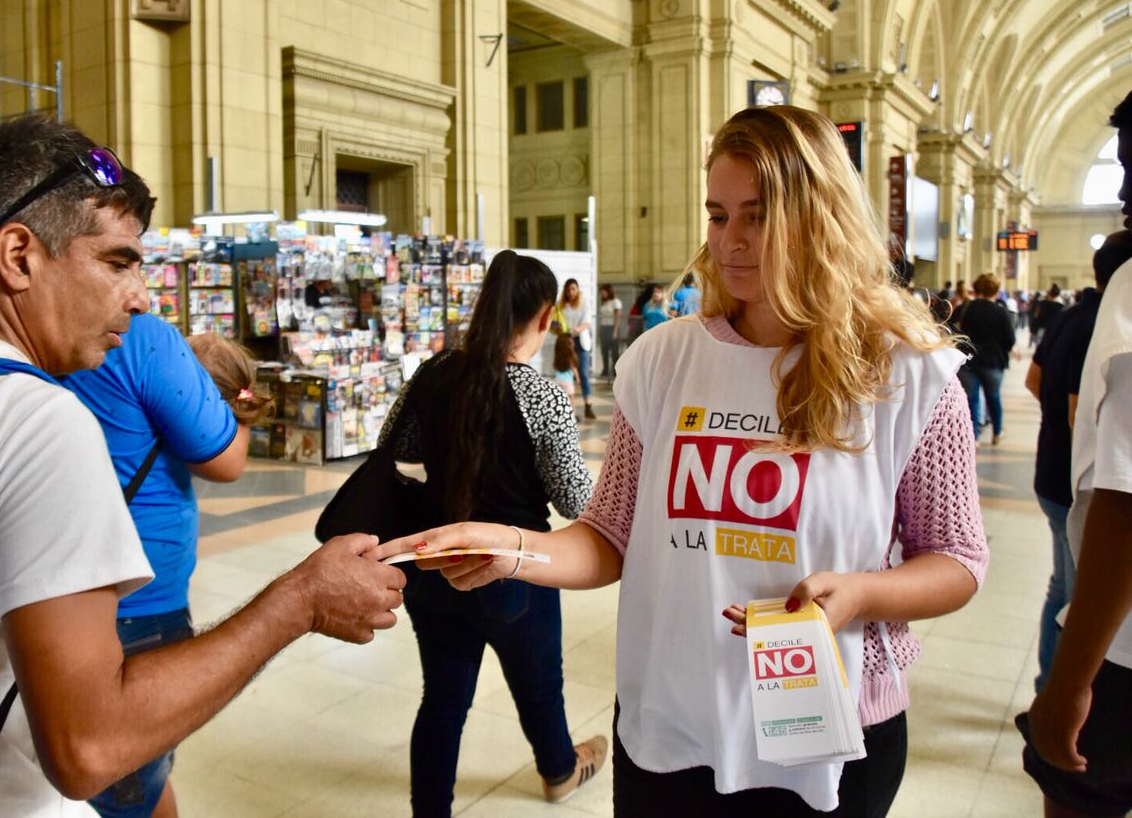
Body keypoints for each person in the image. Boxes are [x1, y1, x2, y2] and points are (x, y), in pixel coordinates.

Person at [376, 105, 988, 816]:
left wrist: (860, 595)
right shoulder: (664, 361)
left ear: (821, 218)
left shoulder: (908, 378)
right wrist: (512, 549)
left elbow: (957, 560)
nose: (731, 241)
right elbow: (609, 536)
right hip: (671, 719)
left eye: (758, 216)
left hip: (830, 723)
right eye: (718, 216)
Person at [0, 114, 404, 815]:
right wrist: (300, 600)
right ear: (19, 255)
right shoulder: (36, 420)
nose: (140, 297)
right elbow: (90, 746)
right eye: (117, 263)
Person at [377, 250, 604, 817]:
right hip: (514, 572)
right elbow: (574, 500)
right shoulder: (542, 395)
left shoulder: (434, 372)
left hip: (435, 566)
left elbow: (393, 446)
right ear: (545, 315)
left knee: (442, 700)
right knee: (539, 686)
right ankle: (559, 771)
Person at [61, 316, 263, 818]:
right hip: (143, 606)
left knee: (141, 774)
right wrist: (241, 412)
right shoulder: (146, 347)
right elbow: (228, 463)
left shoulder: (67, 355)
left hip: (78, 594)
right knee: (129, 780)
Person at [1023, 89, 1132, 818]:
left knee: (1075, 791)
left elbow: (1125, 496)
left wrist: (1068, 681)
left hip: (1122, 653)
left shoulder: (1127, 293)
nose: (1123, 194)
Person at [1024, 230, 1132, 694]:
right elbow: (1077, 413)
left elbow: (1033, 380)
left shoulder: (1068, 317)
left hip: (1049, 471)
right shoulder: (1106, 326)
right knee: (1079, 594)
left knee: (1060, 585)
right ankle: (1058, 688)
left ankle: (1047, 680)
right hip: (1082, 487)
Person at [950, 272, 1017, 445]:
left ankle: (974, 437)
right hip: (993, 362)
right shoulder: (1001, 312)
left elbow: (950, 328)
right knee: (993, 397)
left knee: (972, 399)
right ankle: (997, 432)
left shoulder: (966, 307)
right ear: (996, 290)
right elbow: (1010, 339)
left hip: (969, 361)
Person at [558, 278, 596, 420]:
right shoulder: (560, 305)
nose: (570, 292)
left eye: (573, 289)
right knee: (566, 375)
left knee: (583, 374)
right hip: (566, 341)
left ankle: (588, 405)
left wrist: (576, 329)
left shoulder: (584, 303)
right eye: (568, 290)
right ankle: (569, 410)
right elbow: (557, 321)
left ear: (577, 289)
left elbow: (587, 323)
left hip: (581, 341)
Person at [598, 283, 623, 378]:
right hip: (604, 327)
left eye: (603, 291)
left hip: (612, 327)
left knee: (614, 351)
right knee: (604, 350)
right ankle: (605, 369)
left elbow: (618, 317)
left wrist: (615, 331)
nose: (602, 294)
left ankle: (615, 370)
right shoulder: (604, 302)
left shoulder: (616, 302)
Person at [552, 329, 580, 411]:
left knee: (560, 398)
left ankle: (561, 412)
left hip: (558, 381)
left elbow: (555, 367)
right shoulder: (571, 355)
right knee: (571, 398)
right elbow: (574, 368)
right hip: (568, 382)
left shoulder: (558, 355)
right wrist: (578, 378)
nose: (573, 343)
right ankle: (572, 414)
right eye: (572, 342)